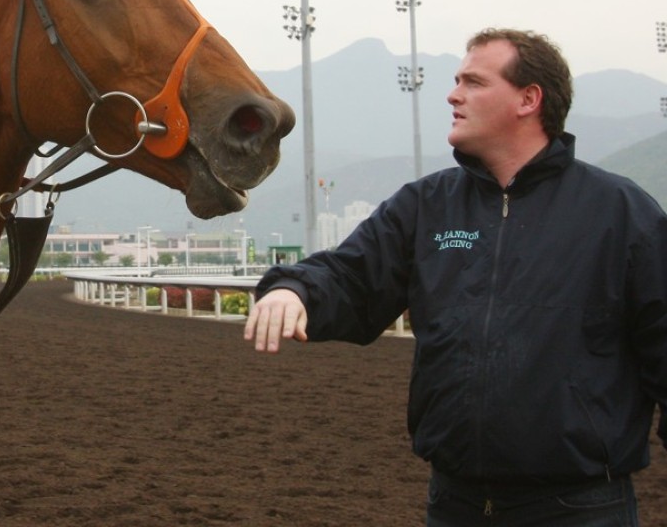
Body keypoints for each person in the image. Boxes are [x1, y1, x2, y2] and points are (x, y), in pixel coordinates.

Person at [245, 28, 667, 526]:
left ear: (529, 99)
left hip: (581, 509)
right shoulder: (426, 205)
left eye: (473, 82)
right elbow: (351, 276)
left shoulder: (620, 213)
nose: (453, 93)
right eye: (455, 80)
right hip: (454, 505)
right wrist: (295, 288)